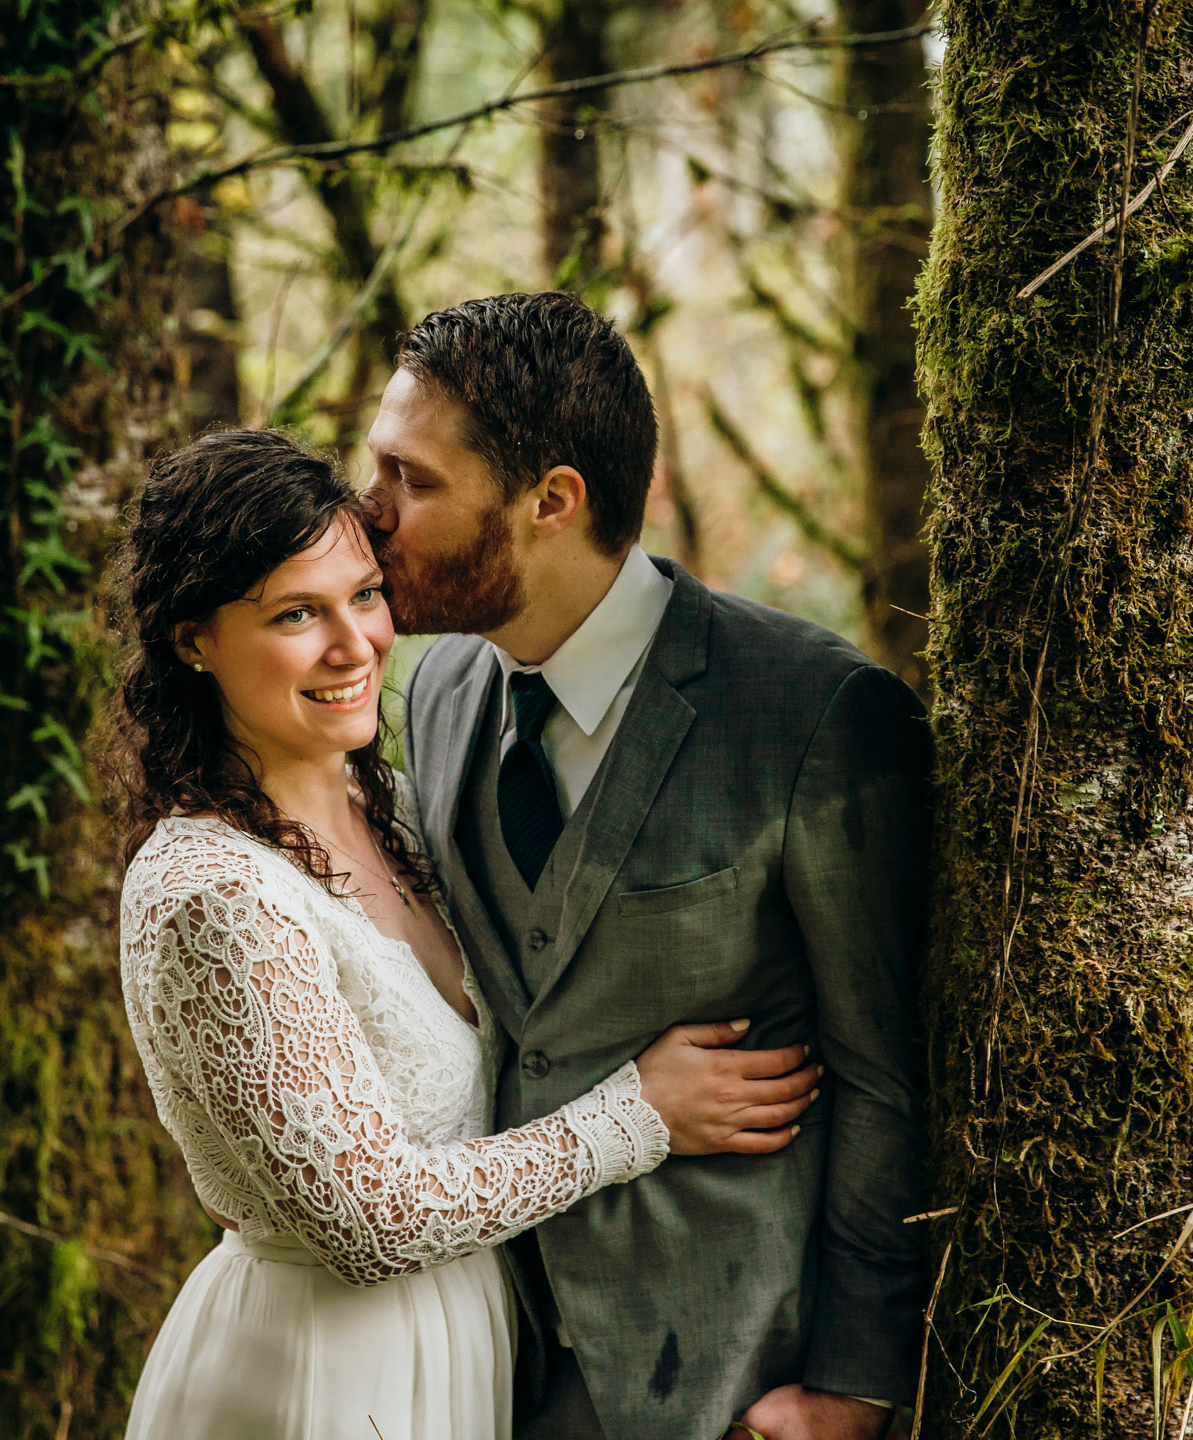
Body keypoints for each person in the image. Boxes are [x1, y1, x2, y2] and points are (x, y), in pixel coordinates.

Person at [107, 427, 822, 1440]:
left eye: (364, 595)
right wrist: (640, 1115)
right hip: (320, 1368)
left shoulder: (401, 811)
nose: (354, 644)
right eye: (295, 615)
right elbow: (369, 1220)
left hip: (470, 1346)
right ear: (193, 639)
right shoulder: (210, 888)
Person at [366, 292, 930, 1440]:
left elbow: (888, 1073)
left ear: (552, 502)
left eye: (412, 484)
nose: (367, 515)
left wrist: (857, 1386)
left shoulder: (815, 715)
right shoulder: (435, 692)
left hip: (730, 1381)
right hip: (488, 1360)